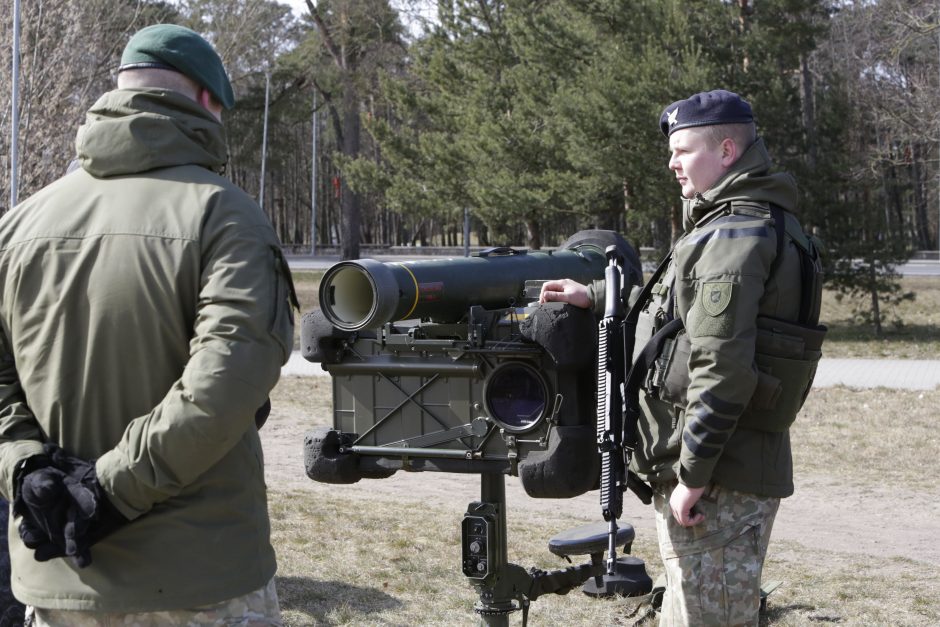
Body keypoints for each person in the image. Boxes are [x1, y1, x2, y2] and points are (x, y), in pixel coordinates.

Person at [0, 24, 296, 626]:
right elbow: (227, 379)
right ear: (208, 102)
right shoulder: (224, 214)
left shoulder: (19, 224)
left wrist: (28, 469)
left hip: (56, 581)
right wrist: (107, 491)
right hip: (199, 582)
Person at [541, 90, 822, 625]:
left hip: (717, 478)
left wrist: (693, 475)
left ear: (726, 150)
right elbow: (683, 316)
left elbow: (723, 367)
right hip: (727, 465)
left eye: (683, 150)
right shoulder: (740, 222)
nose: (671, 163)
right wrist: (597, 297)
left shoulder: (732, 236)